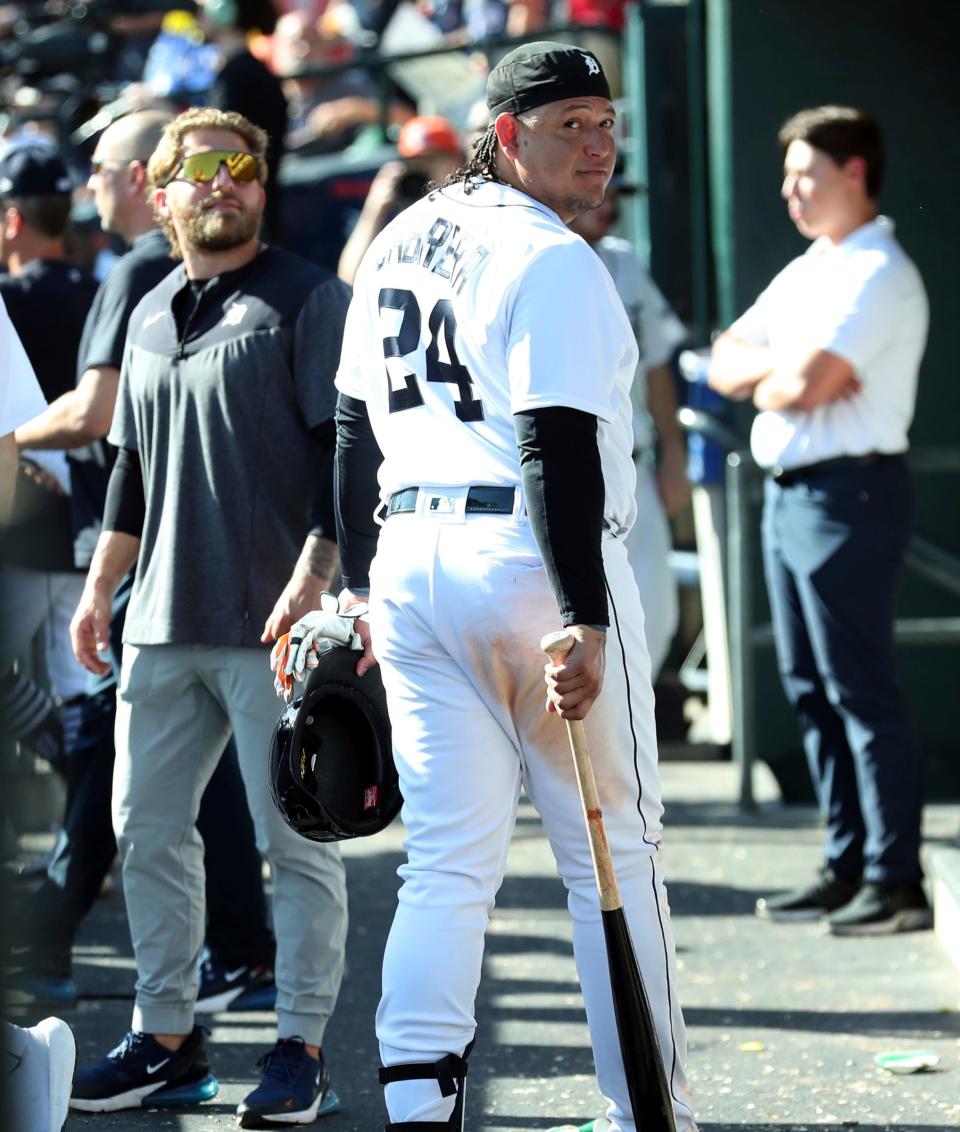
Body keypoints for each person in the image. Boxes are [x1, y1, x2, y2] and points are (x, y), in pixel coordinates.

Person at [332, 41, 696, 1132]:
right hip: (528, 565)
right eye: (567, 125)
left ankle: (416, 1104)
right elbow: (554, 449)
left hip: (413, 561)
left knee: (445, 860)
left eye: (604, 120)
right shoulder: (554, 258)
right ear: (505, 138)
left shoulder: (397, 239)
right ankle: (652, 1111)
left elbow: (353, 435)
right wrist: (584, 612)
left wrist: (358, 585)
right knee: (613, 855)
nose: (597, 144)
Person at [66, 107, 350, 1124]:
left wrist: (316, 579)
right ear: (158, 188)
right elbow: (132, 475)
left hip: (274, 628)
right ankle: (167, 1037)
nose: (224, 185)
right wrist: (101, 588)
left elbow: (347, 460)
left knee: (299, 843)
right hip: (160, 622)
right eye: (202, 171)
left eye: (243, 169)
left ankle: (301, 1047)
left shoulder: (311, 297)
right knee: (144, 829)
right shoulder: (146, 312)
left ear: (262, 188)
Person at [10, 109, 278, 1014]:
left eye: (98, 168)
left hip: (160, 570)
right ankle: (221, 966)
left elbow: (97, 417)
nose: (87, 184)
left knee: (137, 777)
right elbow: (126, 440)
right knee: (173, 790)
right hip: (147, 562)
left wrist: (8, 439)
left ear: (134, 181)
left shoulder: (134, 272)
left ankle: (56, 935)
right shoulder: (153, 282)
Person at [708, 105, 930, 935]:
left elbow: (802, 386)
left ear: (855, 172)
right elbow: (728, 355)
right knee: (809, 689)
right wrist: (781, 373)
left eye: (806, 172)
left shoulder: (880, 271)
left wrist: (774, 378)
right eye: (790, 173)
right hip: (793, 492)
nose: (790, 189)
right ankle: (846, 864)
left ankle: (893, 878)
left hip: (852, 495)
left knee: (860, 689)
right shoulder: (814, 267)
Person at [0, 144, 97, 773]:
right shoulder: (108, 289)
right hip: (98, 506)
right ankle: (87, 844)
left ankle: (80, 846)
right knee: (81, 680)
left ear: (13, 219)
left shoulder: (8, 298)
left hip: (29, 510)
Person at [569, 177, 689, 678]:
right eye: (601, 192)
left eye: (617, 195)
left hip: (633, 466)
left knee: (654, 621)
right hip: (567, 473)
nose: (609, 205)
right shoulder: (533, 255)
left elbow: (657, 364)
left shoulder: (625, 261)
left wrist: (675, 456)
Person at [196, 0, 288, 242]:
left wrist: (161, 111)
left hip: (247, 222)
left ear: (223, 12)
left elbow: (217, 140)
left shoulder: (237, 78)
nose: (198, 16)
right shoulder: (245, 72)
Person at [336, 113, 463, 285]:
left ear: (457, 162)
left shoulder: (468, 205)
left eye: (432, 159)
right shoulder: (398, 209)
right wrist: (373, 211)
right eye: (416, 161)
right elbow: (349, 279)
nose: (423, 169)